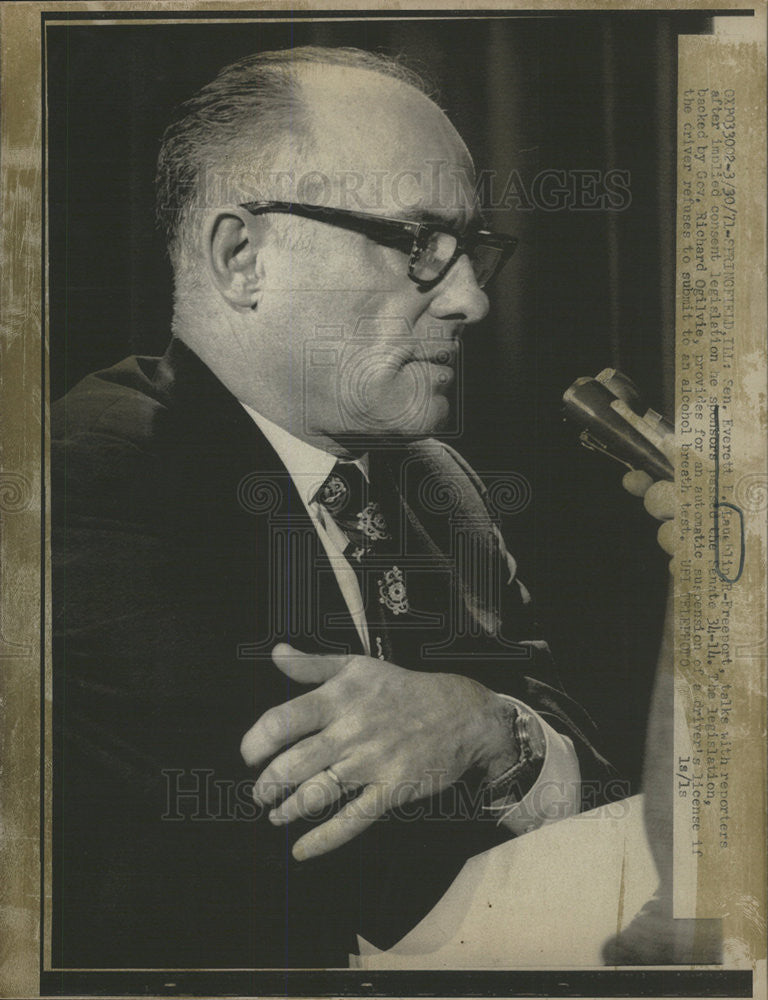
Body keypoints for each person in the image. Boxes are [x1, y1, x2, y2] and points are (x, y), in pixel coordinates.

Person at [52, 46, 662, 970]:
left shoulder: (437, 486)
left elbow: (588, 768)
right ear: (241, 256)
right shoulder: (87, 477)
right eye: (419, 244)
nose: (470, 300)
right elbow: (351, 877)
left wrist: (487, 728)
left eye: (473, 252)